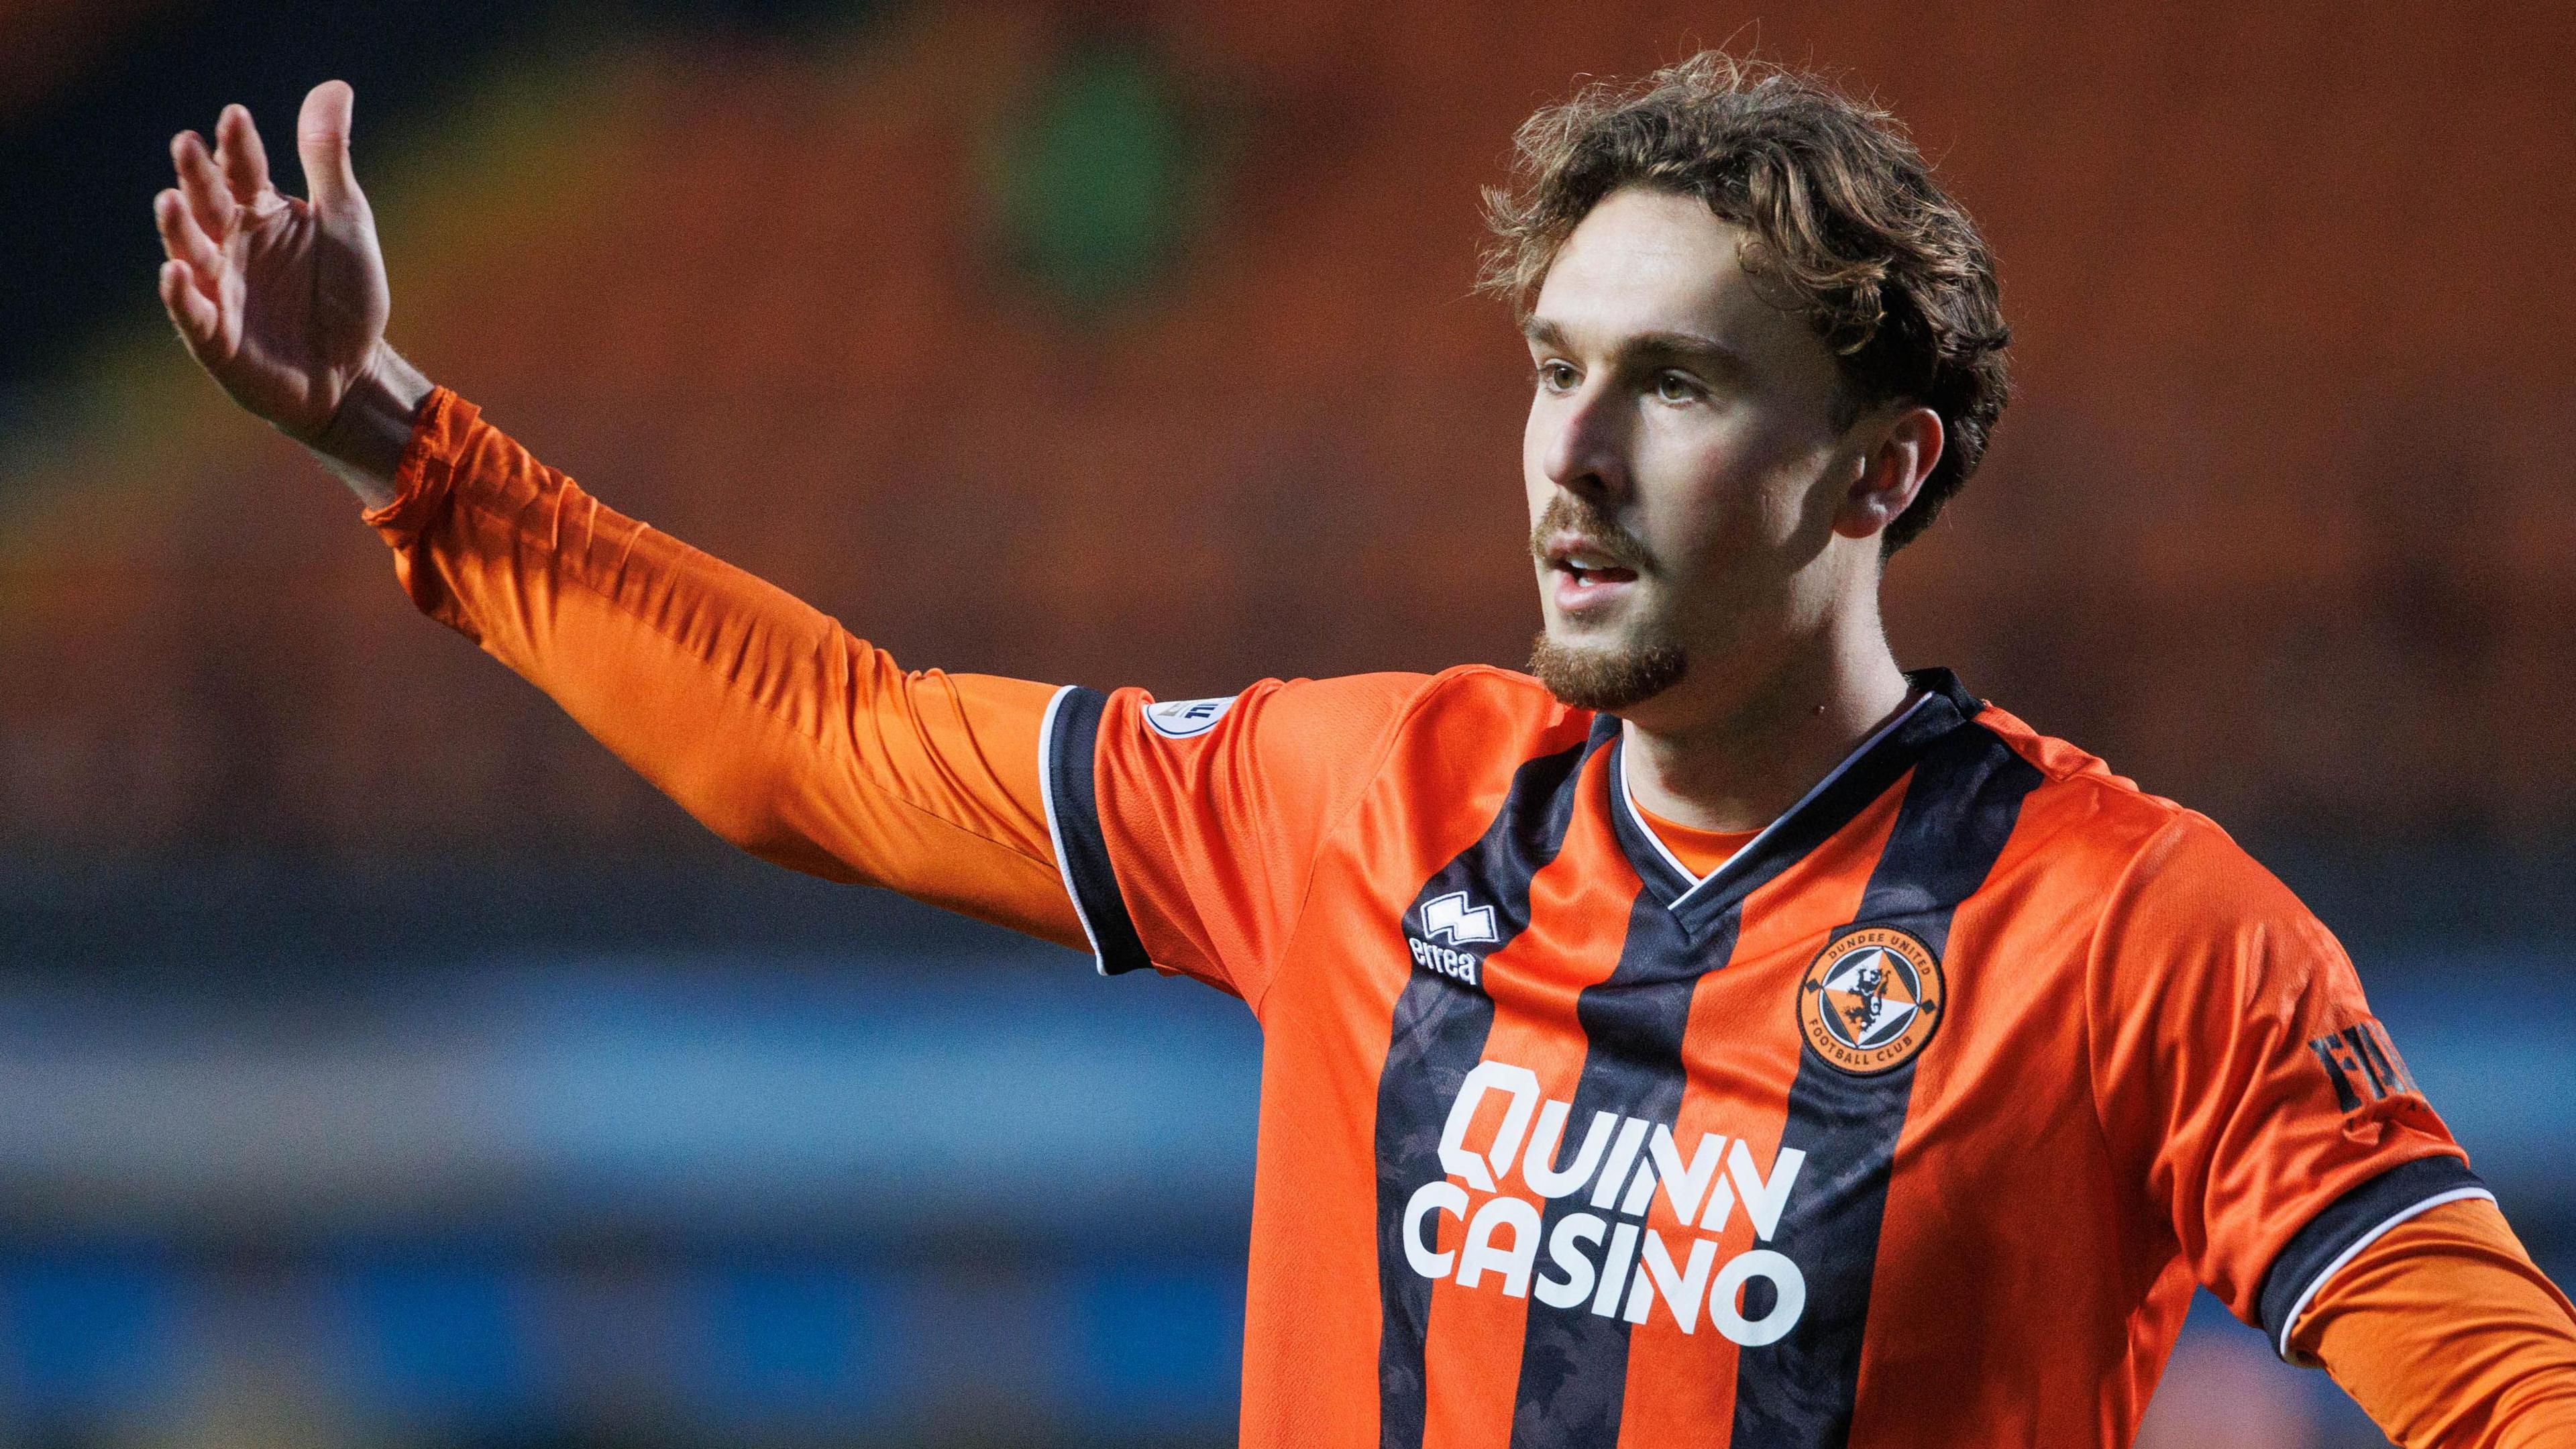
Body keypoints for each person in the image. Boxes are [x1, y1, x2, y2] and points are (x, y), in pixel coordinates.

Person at [152, 52, 2575, 1449]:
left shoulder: (2140, 935)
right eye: (1554, 369)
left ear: (1881, 469)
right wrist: (395, 433)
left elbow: (2496, 1392)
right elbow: (836, 741)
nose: (1574, 454)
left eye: (1675, 383)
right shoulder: (1360, 799)